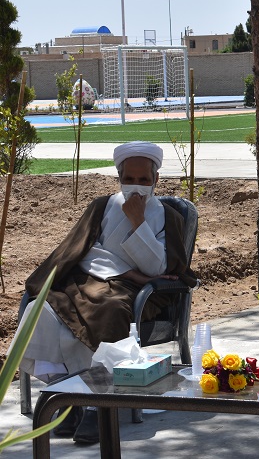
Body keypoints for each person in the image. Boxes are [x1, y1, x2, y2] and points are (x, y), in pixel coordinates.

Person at [13, 141, 195, 444]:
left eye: (143, 179)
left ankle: (98, 405)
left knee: (109, 311)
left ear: (156, 179)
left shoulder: (167, 216)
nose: (136, 186)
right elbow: (82, 251)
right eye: (129, 178)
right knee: (39, 309)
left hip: (136, 293)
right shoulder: (102, 206)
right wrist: (128, 271)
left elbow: (158, 268)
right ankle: (65, 394)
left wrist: (138, 223)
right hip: (88, 280)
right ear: (119, 177)